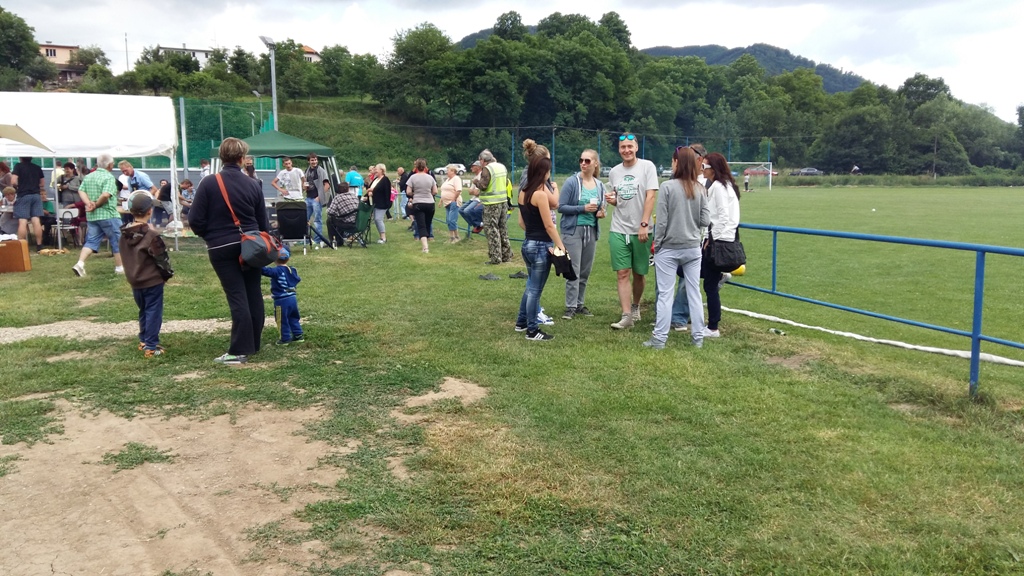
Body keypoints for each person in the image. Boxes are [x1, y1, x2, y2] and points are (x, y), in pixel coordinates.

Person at [190, 137, 272, 365]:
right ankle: (253, 342)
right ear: (242, 158)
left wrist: (209, 235)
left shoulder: (209, 182)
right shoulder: (253, 184)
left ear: (221, 157)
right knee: (253, 292)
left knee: (237, 295)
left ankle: (239, 350)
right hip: (251, 245)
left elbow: (195, 219)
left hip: (221, 245)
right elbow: (263, 222)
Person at [645, 146, 709, 350]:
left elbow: (662, 221)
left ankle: (659, 339)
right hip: (692, 248)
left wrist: (658, 244)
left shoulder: (667, 187)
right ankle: (698, 338)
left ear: (677, 163)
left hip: (669, 247)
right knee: (694, 293)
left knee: (665, 295)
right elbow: (705, 220)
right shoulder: (701, 189)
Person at [606, 134, 658, 329]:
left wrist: (644, 224)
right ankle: (626, 315)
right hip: (619, 228)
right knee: (622, 272)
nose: (626, 150)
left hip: (642, 229)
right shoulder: (614, 172)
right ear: (619, 150)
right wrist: (613, 200)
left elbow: (650, 196)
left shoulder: (647, 167)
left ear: (636, 147)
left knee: (639, 273)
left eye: (630, 146)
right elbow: (618, 199)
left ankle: (636, 306)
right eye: (623, 147)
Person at [514, 155, 565, 341]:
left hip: (527, 244)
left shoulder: (523, 192)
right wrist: (560, 246)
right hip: (541, 246)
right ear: (544, 173)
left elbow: (521, 222)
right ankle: (532, 330)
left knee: (530, 287)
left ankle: (521, 322)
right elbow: (549, 225)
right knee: (535, 290)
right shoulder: (541, 195)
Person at [119, 192, 174, 357]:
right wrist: (166, 275)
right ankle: (151, 345)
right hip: (152, 281)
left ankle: (143, 340)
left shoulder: (124, 234)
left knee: (144, 310)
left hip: (134, 280)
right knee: (153, 312)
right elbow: (161, 258)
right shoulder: (151, 235)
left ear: (131, 211)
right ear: (150, 211)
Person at [558, 148, 606, 320]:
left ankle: (579, 304)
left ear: (595, 164)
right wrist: (582, 208)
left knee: (585, 270)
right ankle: (570, 306)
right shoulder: (572, 182)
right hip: (573, 230)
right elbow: (561, 207)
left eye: (587, 161)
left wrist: (601, 212)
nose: (583, 164)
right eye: (581, 160)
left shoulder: (599, 185)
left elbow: (602, 207)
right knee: (574, 269)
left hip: (591, 230)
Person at [701, 152, 741, 339]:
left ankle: (713, 327)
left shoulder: (718, 186)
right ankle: (721, 277)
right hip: (723, 238)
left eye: (705, 166)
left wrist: (712, 238)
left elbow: (723, 217)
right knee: (704, 279)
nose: (702, 169)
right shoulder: (726, 185)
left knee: (708, 285)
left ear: (713, 169)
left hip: (719, 242)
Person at [669, 143, 707, 332]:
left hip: (694, 240)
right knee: (667, 282)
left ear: (699, 158)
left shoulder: (705, 183)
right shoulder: (674, 181)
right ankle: (665, 315)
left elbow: (706, 217)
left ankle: (679, 317)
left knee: (688, 283)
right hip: (674, 238)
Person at [72, 153, 125, 277]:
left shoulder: (89, 176)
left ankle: (80, 264)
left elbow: (81, 190)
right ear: (110, 165)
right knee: (118, 241)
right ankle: (119, 268)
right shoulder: (109, 177)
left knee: (91, 241)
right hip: (108, 215)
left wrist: (88, 203)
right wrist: (96, 204)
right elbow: (106, 195)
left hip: (93, 216)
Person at [473, 149, 513, 265]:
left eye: (480, 160)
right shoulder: (502, 167)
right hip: (503, 201)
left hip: (491, 203)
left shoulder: (487, 169)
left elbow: (483, 185)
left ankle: (495, 258)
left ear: (483, 160)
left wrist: (476, 182)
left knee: (491, 230)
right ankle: (506, 255)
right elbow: (506, 182)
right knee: (502, 228)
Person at [261, 246, 304, 345]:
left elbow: (264, 271)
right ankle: (298, 335)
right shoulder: (292, 270)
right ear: (288, 258)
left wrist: (257, 263)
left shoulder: (276, 271)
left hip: (281, 300)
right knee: (293, 317)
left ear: (274, 258)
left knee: (281, 319)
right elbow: (297, 279)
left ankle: (285, 338)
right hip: (292, 298)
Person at [10, 157, 47, 252]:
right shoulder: (37, 167)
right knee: (36, 220)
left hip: (23, 195)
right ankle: (39, 245)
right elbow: (42, 183)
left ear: (20, 158)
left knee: (23, 220)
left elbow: (13, 181)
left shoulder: (18, 166)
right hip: (36, 195)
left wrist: (18, 186)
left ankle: (21, 246)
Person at [406, 158, 437, 253]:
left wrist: (415, 194)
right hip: (430, 203)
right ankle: (428, 239)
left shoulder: (413, 177)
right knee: (428, 223)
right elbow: (435, 191)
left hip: (418, 203)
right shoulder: (430, 177)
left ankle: (425, 247)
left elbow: (408, 191)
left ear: (416, 167)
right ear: (425, 167)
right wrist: (428, 193)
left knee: (421, 225)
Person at [365, 163, 392, 244]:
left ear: (381, 170)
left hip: (382, 203)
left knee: (378, 219)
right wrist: (367, 195)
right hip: (375, 203)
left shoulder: (385, 180)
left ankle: (383, 238)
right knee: (376, 220)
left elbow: (384, 191)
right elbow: (370, 188)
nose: (375, 171)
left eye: (376, 169)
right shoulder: (376, 179)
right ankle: (381, 236)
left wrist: (372, 191)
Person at [304, 154, 329, 240]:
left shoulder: (321, 171)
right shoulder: (307, 170)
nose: (314, 162)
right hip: (308, 197)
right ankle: (306, 238)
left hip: (316, 198)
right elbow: (305, 182)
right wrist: (305, 187)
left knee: (317, 220)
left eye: (315, 160)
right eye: (312, 160)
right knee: (305, 219)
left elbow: (327, 185)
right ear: (308, 161)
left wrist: (319, 197)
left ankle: (318, 239)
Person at [439, 164, 463, 243]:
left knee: (452, 220)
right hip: (446, 203)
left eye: (448, 170)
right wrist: (441, 201)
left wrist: (453, 199)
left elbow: (458, 190)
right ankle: (453, 237)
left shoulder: (456, 179)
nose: (446, 172)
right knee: (448, 220)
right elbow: (444, 191)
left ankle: (455, 237)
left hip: (453, 202)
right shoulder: (447, 180)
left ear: (453, 171)